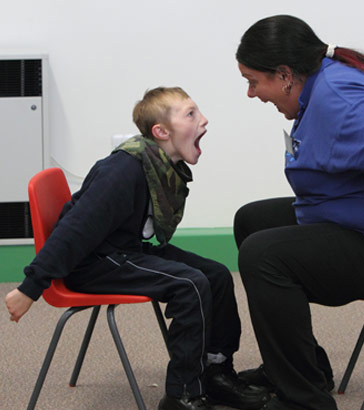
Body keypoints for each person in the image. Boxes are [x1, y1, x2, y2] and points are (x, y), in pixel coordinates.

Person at [5, 87, 270, 410]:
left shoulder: (156, 165)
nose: (203, 120)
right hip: (93, 263)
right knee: (190, 285)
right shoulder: (123, 170)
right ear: (161, 132)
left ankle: (215, 373)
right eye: (190, 114)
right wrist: (31, 287)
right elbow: (74, 230)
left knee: (215, 275)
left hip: (124, 249)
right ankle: (182, 395)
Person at [234, 14, 364, 410]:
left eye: (254, 81)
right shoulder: (321, 84)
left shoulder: (341, 102)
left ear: (285, 74)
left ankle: (304, 401)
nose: (252, 94)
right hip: (340, 218)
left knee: (263, 255)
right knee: (252, 220)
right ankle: (302, 370)